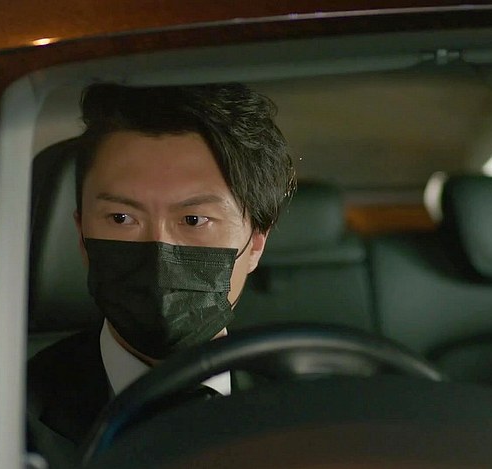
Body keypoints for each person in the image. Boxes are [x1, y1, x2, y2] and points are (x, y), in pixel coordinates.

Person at [26, 83, 295, 461]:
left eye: (194, 219)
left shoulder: (315, 412)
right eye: (121, 218)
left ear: (255, 245)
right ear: (82, 235)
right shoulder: (1, 418)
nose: (158, 252)